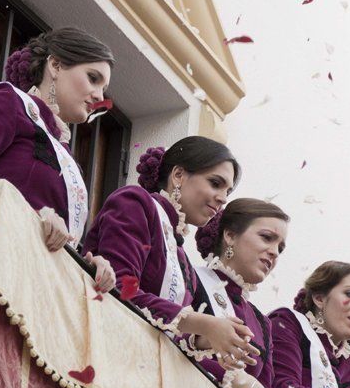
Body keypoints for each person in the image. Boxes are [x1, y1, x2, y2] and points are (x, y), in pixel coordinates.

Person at [0, 27, 115, 291]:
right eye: (93, 78)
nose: (99, 97)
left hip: (36, 293)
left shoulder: (66, 156)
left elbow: (52, 235)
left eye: (103, 88)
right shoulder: (10, 103)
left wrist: (88, 265)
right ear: (56, 65)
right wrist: (31, 217)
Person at [83, 138, 259, 363]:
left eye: (228, 191)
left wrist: (204, 340)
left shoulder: (182, 259)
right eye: (215, 183)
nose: (223, 199)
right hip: (105, 350)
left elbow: (169, 333)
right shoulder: (135, 203)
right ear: (178, 175)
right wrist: (204, 323)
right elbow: (117, 289)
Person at [190, 198, 302, 388]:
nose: (274, 252)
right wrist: (244, 382)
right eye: (266, 238)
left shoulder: (261, 322)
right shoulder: (192, 278)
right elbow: (169, 339)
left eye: (280, 248)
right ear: (230, 236)